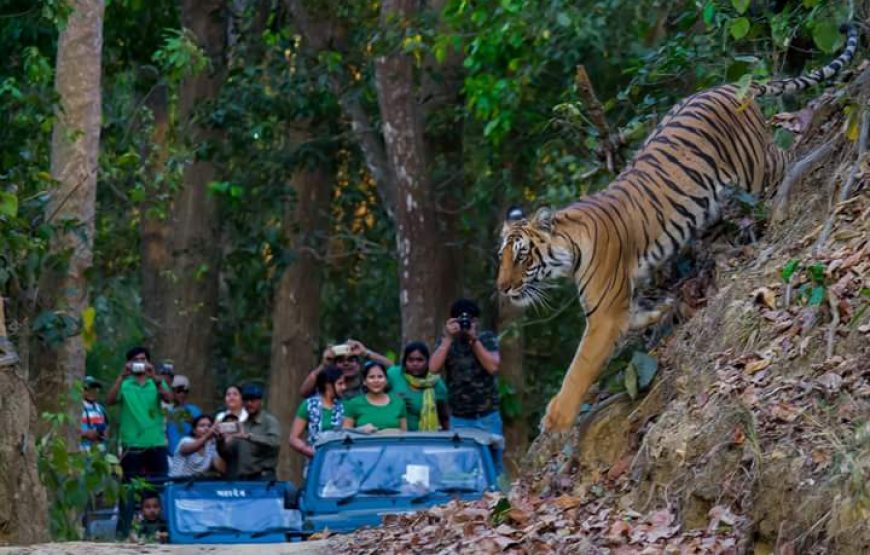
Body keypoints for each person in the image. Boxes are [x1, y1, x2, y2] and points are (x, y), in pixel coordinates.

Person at [429, 299, 503, 473]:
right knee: (462, 467)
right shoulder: (447, 342)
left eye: (469, 320)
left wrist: (474, 340)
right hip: (460, 417)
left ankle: (497, 498)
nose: (464, 324)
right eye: (459, 320)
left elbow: (493, 367)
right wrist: (447, 339)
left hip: (487, 414)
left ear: (476, 321)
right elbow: (433, 369)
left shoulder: (486, 338)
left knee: (493, 466)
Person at [107, 346, 172, 538]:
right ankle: (123, 533)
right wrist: (121, 376)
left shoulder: (157, 383)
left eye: (143, 359)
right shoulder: (125, 384)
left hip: (156, 443)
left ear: (149, 362)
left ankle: (163, 531)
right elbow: (110, 400)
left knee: (159, 489)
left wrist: (156, 379)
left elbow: (169, 399)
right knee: (128, 491)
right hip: (132, 445)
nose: (140, 363)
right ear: (129, 364)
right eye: (135, 360)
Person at [218, 384, 281, 480]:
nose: (249, 404)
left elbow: (275, 442)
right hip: (243, 478)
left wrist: (249, 436)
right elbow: (228, 453)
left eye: (253, 400)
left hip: (264, 477)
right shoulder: (242, 424)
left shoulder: (269, 421)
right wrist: (220, 440)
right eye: (246, 401)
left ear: (261, 402)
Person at [289, 365, 346, 465]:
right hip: (315, 461)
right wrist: (309, 451)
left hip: (340, 462)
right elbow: (294, 438)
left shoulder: (344, 406)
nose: (344, 387)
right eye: (340, 384)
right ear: (328, 385)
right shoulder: (309, 405)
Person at [300, 339, 393, 400]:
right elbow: (304, 392)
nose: (346, 364)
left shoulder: (368, 385)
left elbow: (393, 369)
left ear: (359, 365)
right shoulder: (327, 386)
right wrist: (324, 364)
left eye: (351, 360)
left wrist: (365, 352)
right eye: (341, 361)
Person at [387, 342, 449, 431]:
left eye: (420, 360)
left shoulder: (436, 383)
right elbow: (376, 395)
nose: (415, 364)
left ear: (428, 361)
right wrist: (393, 400)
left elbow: (444, 416)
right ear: (405, 361)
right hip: (394, 435)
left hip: (424, 438)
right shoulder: (394, 375)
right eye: (410, 360)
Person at [342, 361, 407, 433]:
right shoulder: (353, 404)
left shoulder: (398, 403)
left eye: (380, 376)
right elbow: (345, 434)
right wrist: (360, 430)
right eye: (371, 377)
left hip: (393, 443)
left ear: (386, 380)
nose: (376, 381)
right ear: (364, 381)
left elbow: (404, 435)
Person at [169, 414, 224, 478]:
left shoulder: (211, 445)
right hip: (177, 484)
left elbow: (221, 468)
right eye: (202, 426)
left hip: (197, 485)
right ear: (194, 430)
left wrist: (221, 440)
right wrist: (208, 435)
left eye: (209, 426)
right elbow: (187, 449)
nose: (206, 428)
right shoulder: (186, 441)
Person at [165, 374, 202, 457]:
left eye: (185, 391)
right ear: (172, 391)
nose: (182, 394)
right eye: (179, 390)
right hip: (170, 456)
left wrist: (193, 422)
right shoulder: (166, 410)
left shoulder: (195, 410)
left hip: (190, 456)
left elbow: (201, 434)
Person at [80, 376, 109, 452]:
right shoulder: (77, 408)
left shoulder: (101, 409)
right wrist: (85, 434)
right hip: (82, 452)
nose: (92, 392)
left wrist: (102, 434)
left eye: (95, 389)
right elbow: (68, 431)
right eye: (88, 389)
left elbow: (106, 428)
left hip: (99, 453)